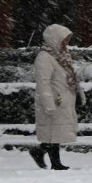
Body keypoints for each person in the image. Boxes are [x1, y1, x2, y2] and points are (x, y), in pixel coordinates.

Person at [31, 23, 81, 170]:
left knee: (56, 131)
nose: (66, 43)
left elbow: (71, 76)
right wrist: (48, 103)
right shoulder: (44, 57)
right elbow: (43, 83)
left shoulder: (62, 55)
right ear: (54, 39)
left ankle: (41, 153)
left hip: (62, 99)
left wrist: (78, 95)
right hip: (54, 99)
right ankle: (54, 162)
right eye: (64, 39)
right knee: (53, 131)